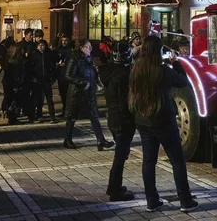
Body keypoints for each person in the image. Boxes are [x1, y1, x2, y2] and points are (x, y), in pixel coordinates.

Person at [128, 35, 198, 213]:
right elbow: (183, 82)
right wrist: (176, 63)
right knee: (177, 161)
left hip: (143, 120)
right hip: (163, 120)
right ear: (158, 51)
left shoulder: (136, 70)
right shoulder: (163, 70)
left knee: (148, 162)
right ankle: (185, 201)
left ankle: (152, 201)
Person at [98, 41, 136, 201]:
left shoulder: (109, 72)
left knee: (121, 155)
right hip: (122, 120)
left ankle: (114, 186)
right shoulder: (124, 76)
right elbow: (125, 102)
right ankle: (115, 190)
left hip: (113, 117)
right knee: (120, 156)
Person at [63, 38, 114, 150]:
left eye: (91, 47)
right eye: (88, 47)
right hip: (77, 93)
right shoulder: (75, 58)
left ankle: (101, 140)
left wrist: (96, 77)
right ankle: (67, 139)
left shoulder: (88, 59)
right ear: (81, 48)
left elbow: (92, 73)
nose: (90, 49)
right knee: (72, 117)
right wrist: (82, 82)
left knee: (94, 116)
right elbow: (68, 75)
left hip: (89, 92)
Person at [31, 39, 57, 122]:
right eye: (39, 45)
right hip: (37, 79)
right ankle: (37, 115)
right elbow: (31, 67)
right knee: (37, 98)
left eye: (42, 45)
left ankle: (52, 116)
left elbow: (52, 67)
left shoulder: (48, 54)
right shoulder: (34, 54)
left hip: (47, 79)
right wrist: (33, 77)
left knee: (49, 98)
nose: (41, 47)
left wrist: (53, 78)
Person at [56, 36, 73, 117]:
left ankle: (68, 111)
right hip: (60, 74)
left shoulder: (71, 50)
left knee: (68, 94)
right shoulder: (58, 49)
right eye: (63, 40)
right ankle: (64, 110)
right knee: (62, 94)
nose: (64, 42)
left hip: (68, 74)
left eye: (66, 40)